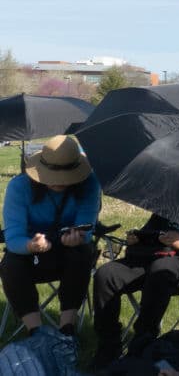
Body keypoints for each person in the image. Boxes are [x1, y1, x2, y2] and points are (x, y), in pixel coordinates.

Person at [91, 211, 179, 367]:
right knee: (106, 274)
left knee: (161, 269)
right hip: (155, 257)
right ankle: (109, 345)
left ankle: (143, 343)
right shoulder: (170, 201)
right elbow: (150, 230)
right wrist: (138, 238)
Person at [0, 135, 101, 337]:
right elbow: (13, 238)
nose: (59, 183)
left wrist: (79, 238)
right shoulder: (19, 187)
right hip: (31, 254)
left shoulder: (90, 184)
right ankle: (35, 331)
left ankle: (67, 328)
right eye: (53, 177)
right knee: (11, 265)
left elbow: (87, 227)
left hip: (69, 254)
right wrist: (30, 245)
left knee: (81, 254)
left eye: (67, 176)